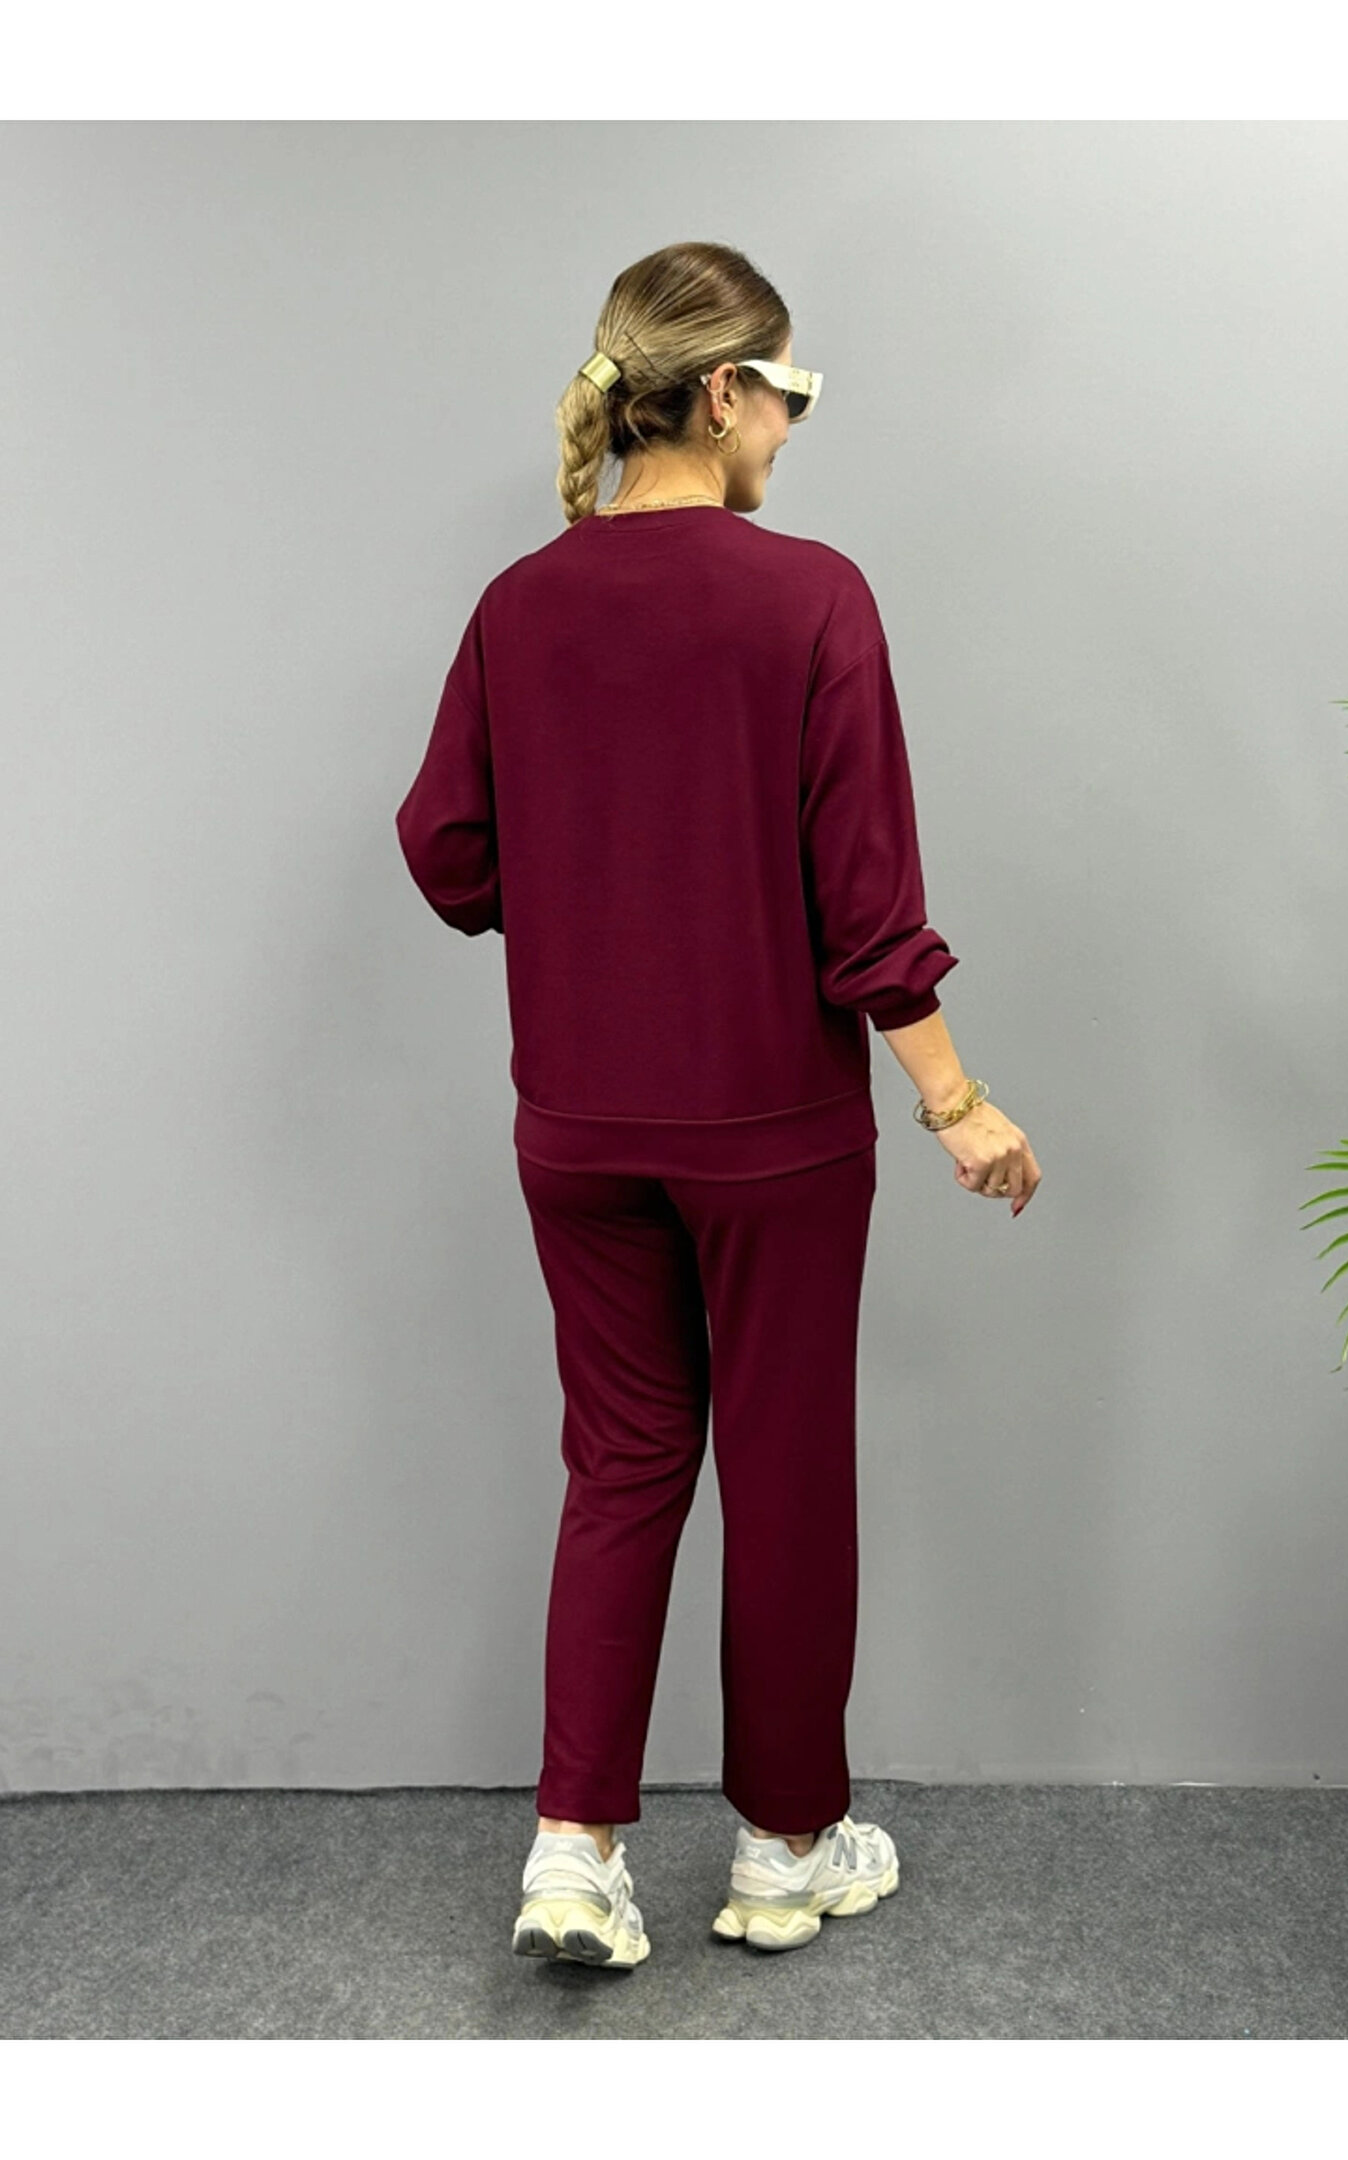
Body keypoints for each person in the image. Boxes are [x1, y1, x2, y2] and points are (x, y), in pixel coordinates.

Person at [395, 241, 1042, 1970]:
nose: (791, 432)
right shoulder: (811, 596)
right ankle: (781, 1852)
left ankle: (573, 1851)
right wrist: (958, 1104)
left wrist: (595, 895)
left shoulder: (519, 604)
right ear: (728, 392)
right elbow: (869, 908)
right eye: (789, 396)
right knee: (783, 1471)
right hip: (774, 1140)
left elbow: (446, 851)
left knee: (618, 1466)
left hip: (577, 1131)